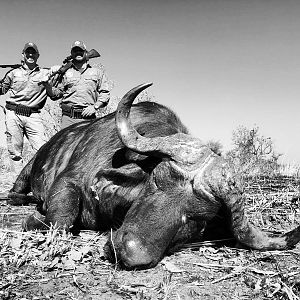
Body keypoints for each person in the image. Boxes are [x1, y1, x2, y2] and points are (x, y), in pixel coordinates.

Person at [0, 42, 59, 177]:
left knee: (43, 150)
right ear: (23, 55)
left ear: (38, 55)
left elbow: (56, 91)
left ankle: (43, 181)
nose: (30, 55)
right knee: (15, 153)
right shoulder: (13, 73)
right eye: (28, 52)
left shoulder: (46, 72)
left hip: (33, 116)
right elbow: (2, 90)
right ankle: (17, 185)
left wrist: (58, 68)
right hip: (13, 114)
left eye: (33, 53)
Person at [41, 40, 111, 129]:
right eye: (75, 51)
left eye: (80, 50)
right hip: (68, 118)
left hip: (88, 119)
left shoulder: (97, 72)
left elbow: (105, 93)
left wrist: (95, 107)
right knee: (64, 142)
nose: (78, 53)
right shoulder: (65, 72)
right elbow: (56, 94)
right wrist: (47, 85)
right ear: (71, 53)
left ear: (86, 52)